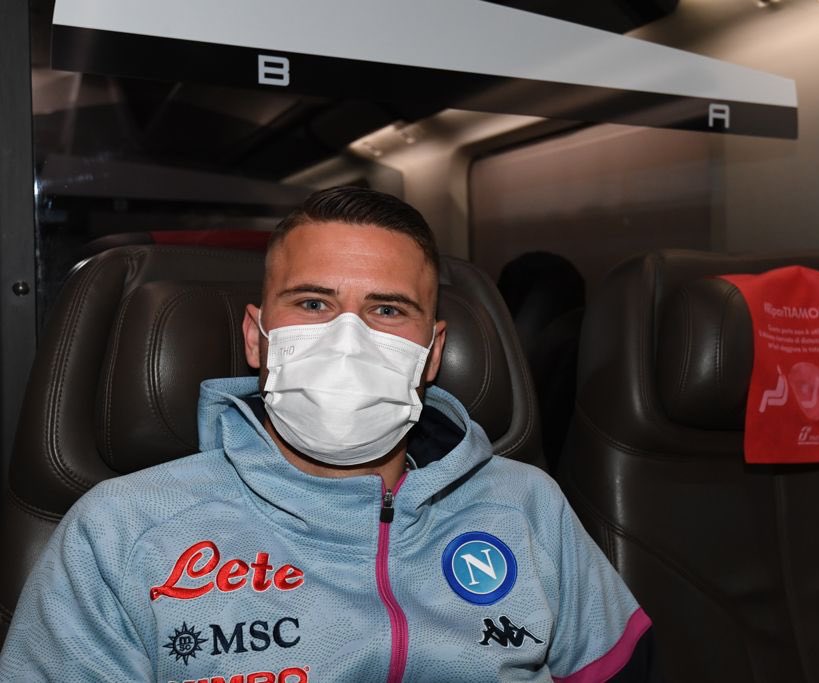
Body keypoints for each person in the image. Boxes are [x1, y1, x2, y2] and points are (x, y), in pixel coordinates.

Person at [0, 187, 656, 682]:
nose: (348, 338)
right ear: (256, 337)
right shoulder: (119, 532)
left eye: (387, 309)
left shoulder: (527, 505)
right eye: (314, 303)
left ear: (432, 353)